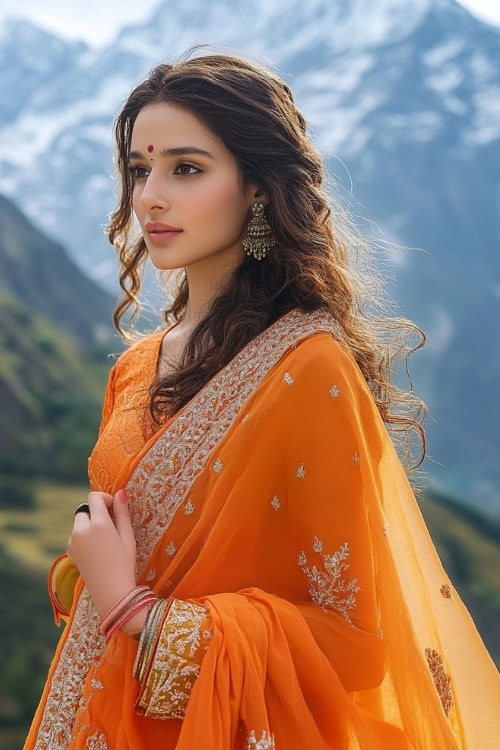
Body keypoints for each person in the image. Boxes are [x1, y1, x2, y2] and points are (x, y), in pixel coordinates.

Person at [24, 48, 500, 750]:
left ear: (255, 187)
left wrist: (134, 608)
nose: (149, 196)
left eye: (186, 169)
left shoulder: (309, 370)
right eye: (138, 169)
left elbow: (356, 647)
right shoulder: (135, 367)